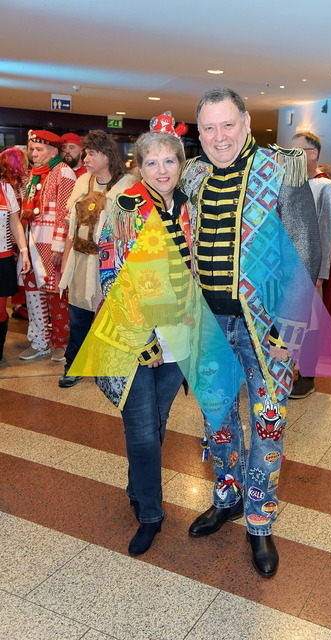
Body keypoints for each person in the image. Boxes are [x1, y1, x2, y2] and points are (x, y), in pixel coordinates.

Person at [181, 88, 321, 578]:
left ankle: (260, 519)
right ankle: (228, 497)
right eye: (208, 128)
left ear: (245, 123)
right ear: (199, 133)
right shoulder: (194, 174)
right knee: (217, 419)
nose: (219, 137)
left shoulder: (282, 168)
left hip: (267, 329)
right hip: (209, 325)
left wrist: (292, 329)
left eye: (227, 125)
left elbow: (305, 250)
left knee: (267, 424)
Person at [94, 116, 191, 556]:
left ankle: (138, 488)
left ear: (181, 164)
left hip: (179, 336)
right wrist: (141, 334)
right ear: (139, 166)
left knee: (157, 423)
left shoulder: (189, 207)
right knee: (142, 429)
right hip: (137, 337)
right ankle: (151, 514)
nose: (162, 170)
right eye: (152, 162)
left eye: (169, 160)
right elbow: (110, 271)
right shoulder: (126, 206)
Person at [59, 130, 131, 388]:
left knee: (110, 318)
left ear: (106, 155)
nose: (86, 159)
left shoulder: (127, 185)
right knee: (78, 316)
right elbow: (71, 228)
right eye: (86, 153)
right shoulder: (82, 182)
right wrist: (65, 263)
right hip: (81, 262)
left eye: (91, 154)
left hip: (110, 265)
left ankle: (111, 368)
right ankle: (73, 365)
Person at [289, 132, 331, 399]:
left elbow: (327, 233)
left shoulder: (324, 186)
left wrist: (320, 273)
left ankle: (307, 377)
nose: (293, 156)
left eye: (298, 151)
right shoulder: (291, 183)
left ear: (313, 153)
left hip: (310, 269)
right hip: (287, 268)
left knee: (310, 323)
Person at [19, 130, 76, 361]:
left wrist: (60, 246)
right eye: (31, 149)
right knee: (33, 295)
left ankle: (61, 344)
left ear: (53, 151)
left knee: (57, 297)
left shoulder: (63, 171)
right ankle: (39, 342)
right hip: (31, 244)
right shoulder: (31, 174)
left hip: (52, 245)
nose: (33, 153)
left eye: (38, 149)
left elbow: (65, 212)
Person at [0, 169, 31, 359]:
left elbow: (15, 223)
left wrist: (24, 251)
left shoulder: (5, 188)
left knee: (0, 311)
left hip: (2, 257)